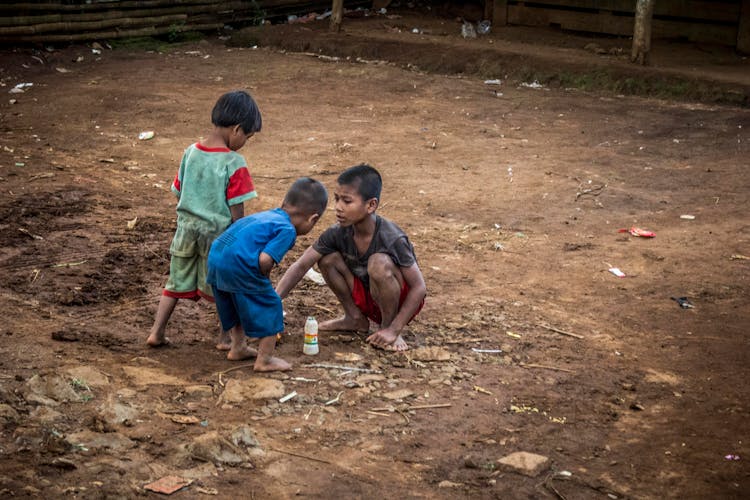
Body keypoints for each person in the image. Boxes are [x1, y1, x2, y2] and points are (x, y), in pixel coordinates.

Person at [146, 90, 262, 348]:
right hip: (218, 235)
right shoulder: (234, 162)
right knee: (224, 288)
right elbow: (236, 208)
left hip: (185, 231)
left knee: (174, 283)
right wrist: (238, 234)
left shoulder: (190, 152)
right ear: (237, 129)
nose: (245, 142)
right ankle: (224, 338)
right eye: (247, 136)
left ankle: (157, 332)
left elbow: (179, 191)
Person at [276, 164, 426, 351]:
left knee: (378, 262)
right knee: (327, 259)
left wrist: (395, 328)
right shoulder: (337, 233)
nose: (338, 207)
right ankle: (354, 318)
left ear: (371, 205)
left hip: (399, 301)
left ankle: (387, 328)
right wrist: (272, 302)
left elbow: (419, 287)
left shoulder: (391, 237)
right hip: (368, 296)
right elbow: (301, 265)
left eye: (347, 201)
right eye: (337, 199)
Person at [206, 177, 329, 371]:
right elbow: (264, 259)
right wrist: (264, 278)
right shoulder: (287, 229)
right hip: (239, 264)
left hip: (215, 258)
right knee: (271, 305)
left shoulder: (266, 216)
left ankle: (238, 347)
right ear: (312, 219)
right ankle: (265, 360)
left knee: (236, 304)